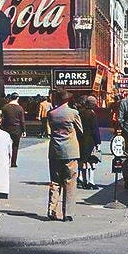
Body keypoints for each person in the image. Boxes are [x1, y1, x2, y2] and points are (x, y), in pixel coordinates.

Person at [46, 90, 83, 221]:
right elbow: (80, 130)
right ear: (68, 100)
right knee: (70, 182)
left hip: (55, 150)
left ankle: (52, 209)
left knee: (55, 181)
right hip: (71, 150)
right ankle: (68, 213)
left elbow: (50, 128)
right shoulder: (73, 113)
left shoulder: (51, 113)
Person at [78, 95, 102, 189]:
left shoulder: (80, 113)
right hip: (90, 140)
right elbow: (95, 130)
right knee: (92, 161)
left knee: (82, 160)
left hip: (81, 140)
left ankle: (82, 180)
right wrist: (98, 143)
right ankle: (91, 181)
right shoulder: (92, 114)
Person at [0, 93, 25, 167]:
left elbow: (2, 119)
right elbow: (22, 121)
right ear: (17, 98)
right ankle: (13, 162)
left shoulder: (5, 107)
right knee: (15, 146)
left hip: (6, 128)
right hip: (17, 129)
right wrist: (24, 130)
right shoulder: (20, 108)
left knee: (5, 145)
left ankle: (5, 161)